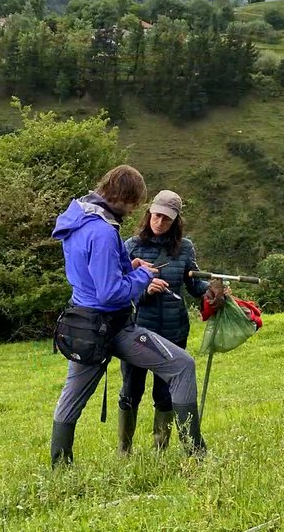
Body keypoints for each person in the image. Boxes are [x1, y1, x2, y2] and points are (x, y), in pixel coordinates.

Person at [49, 166, 207, 466]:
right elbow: (110, 293)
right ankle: (197, 456)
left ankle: (59, 466)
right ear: (123, 197)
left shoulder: (78, 220)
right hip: (113, 326)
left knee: (71, 401)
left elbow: (93, 274)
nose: (135, 209)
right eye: (135, 203)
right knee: (182, 365)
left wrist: (126, 267)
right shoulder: (104, 231)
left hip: (82, 327)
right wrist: (142, 277)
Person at [119, 190, 220, 454]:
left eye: (167, 218)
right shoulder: (131, 247)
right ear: (148, 212)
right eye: (157, 215)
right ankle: (124, 450)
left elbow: (194, 283)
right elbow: (119, 290)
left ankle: (160, 450)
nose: (160, 222)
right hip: (138, 331)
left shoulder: (185, 248)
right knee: (131, 389)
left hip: (174, 330)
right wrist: (145, 289)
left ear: (175, 221)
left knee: (164, 393)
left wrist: (212, 288)